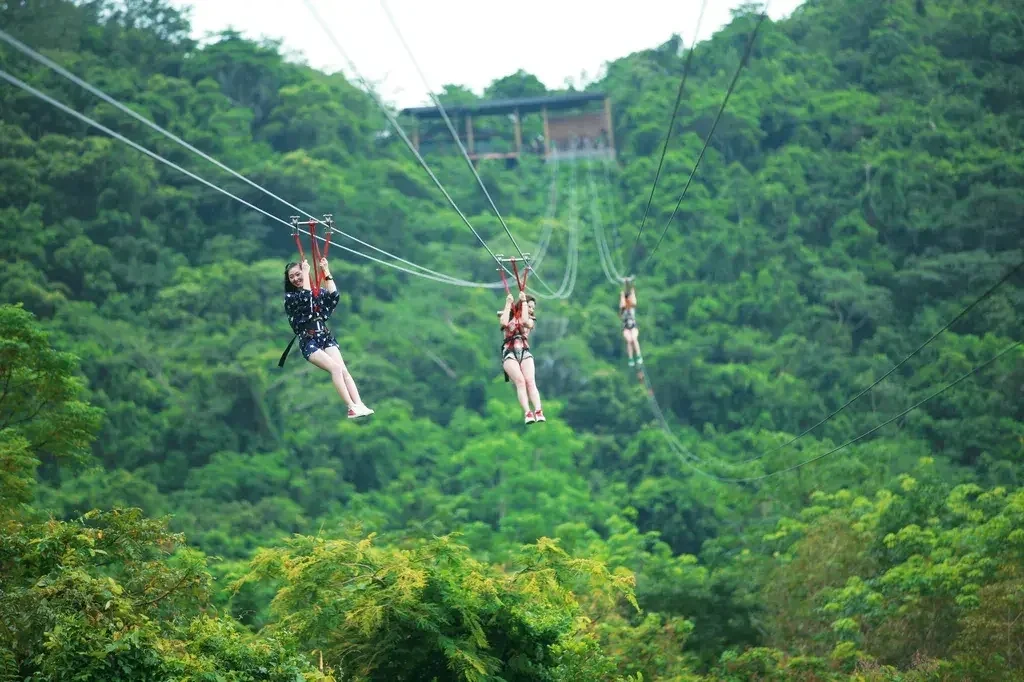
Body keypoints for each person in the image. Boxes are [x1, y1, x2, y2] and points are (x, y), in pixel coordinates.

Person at [283, 258, 373, 418]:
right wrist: (305, 272)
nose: (296, 278)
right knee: (335, 369)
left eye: (298, 274)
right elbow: (306, 299)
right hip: (309, 341)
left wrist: (326, 270)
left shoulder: (316, 292)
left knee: (344, 370)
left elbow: (334, 297)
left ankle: (359, 404)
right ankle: (351, 407)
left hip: (324, 336)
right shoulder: (291, 298)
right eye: (292, 277)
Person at [499, 289, 545, 424]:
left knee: (530, 381)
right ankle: (527, 412)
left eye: (532, 308)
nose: (531, 309)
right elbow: (503, 323)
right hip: (509, 353)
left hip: (524, 352)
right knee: (520, 381)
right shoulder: (509, 316)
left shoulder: (530, 320)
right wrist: (508, 304)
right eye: (529, 306)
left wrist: (524, 301)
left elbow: (524, 321)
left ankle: (538, 410)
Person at [620, 277, 643, 368]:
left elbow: (633, 300)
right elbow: (622, 304)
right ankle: (630, 358)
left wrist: (631, 289)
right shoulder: (623, 306)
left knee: (634, 339)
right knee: (629, 340)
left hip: (633, 326)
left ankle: (638, 355)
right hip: (626, 327)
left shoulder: (632, 305)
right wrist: (622, 295)